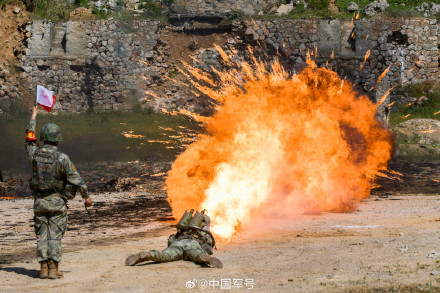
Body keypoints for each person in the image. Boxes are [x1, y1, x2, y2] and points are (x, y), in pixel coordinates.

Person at [25, 106, 92, 279]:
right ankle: (53, 269)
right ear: (57, 140)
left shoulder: (35, 154)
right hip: (57, 202)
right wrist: (86, 197)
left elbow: (29, 140)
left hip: (39, 203)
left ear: (44, 139)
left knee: (41, 235)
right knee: (54, 236)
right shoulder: (63, 158)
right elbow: (76, 179)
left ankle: (43, 269)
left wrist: (33, 116)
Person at [125, 210, 223, 268]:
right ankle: (205, 259)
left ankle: (148, 255)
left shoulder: (184, 228)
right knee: (197, 254)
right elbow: (207, 246)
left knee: (165, 255)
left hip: (178, 243)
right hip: (192, 244)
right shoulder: (204, 231)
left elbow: (171, 239)